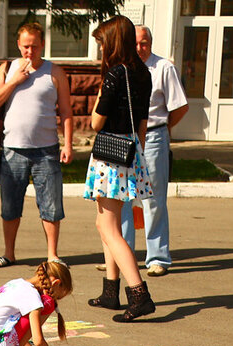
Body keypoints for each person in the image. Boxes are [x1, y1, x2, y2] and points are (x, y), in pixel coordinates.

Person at [0, 23, 73, 268]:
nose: (29, 51)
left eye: (34, 46)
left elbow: (66, 111)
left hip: (47, 150)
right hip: (13, 148)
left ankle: (52, 254)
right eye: (25, 46)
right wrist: (14, 81)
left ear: (42, 44)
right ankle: (9, 252)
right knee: (10, 205)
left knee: (51, 205)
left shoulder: (54, 72)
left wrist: (68, 144)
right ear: (18, 45)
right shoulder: (7, 69)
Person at [84, 16, 156, 322]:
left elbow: (95, 122)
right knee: (105, 223)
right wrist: (135, 153)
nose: (100, 47)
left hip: (110, 155)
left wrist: (101, 90)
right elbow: (142, 123)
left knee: (109, 228)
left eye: (102, 42)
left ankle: (139, 294)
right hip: (130, 152)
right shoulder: (143, 73)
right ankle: (110, 291)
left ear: (112, 41)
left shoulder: (115, 74)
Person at [120, 26, 188, 279]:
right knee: (123, 197)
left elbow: (180, 106)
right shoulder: (123, 68)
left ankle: (157, 258)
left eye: (144, 43)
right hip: (125, 136)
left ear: (151, 43)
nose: (140, 48)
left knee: (154, 199)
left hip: (154, 136)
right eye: (135, 43)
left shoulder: (164, 68)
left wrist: (163, 128)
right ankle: (122, 255)